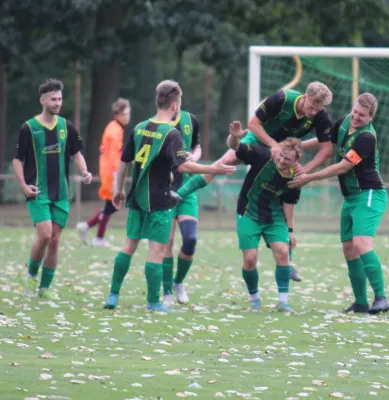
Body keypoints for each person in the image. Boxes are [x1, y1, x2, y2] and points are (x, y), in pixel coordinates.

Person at [175, 81, 334, 281]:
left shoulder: (320, 115)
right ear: (305, 97)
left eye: (318, 108)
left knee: (282, 198)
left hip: (283, 155)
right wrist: (273, 146)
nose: (314, 112)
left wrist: (306, 172)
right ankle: (179, 194)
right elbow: (252, 125)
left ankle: (288, 262)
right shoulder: (282, 98)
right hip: (260, 142)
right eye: (312, 107)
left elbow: (327, 149)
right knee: (223, 163)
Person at [102, 80, 236, 312]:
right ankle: (154, 302)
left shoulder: (139, 127)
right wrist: (214, 169)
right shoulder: (171, 134)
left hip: (137, 198)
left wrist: (119, 189)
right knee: (156, 251)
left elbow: (124, 160)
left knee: (128, 246)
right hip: (160, 200)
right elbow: (184, 167)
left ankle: (113, 296)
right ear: (175, 105)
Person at [288, 93, 389, 315]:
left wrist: (308, 177)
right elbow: (324, 141)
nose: (356, 117)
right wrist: (295, 146)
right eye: (355, 111)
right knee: (349, 250)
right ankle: (361, 303)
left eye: (362, 115)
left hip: (369, 194)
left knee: (361, 245)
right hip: (351, 198)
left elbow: (342, 167)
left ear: (371, 116)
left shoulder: (366, 138)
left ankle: (381, 298)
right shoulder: (345, 120)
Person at [13, 78, 92, 300]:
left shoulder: (66, 126)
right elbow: (17, 160)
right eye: (53, 99)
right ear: (43, 100)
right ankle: (31, 275)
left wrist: (85, 171)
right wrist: (23, 186)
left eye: (59, 99)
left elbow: (76, 153)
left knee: (55, 240)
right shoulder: (29, 128)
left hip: (61, 193)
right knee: (45, 235)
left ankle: (45, 288)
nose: (57, 103)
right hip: (38, 192)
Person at [228, 121, 302, 312]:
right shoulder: (262, 155)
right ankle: (254, 300)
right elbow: (235, 146)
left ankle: (283, 302)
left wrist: (290, 230)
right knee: (250, 259)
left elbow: (289, 203)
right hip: (248, 212)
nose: (282, 160)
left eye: (288, 159)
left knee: (283, 252)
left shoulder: (295, 177)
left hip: (273, 215)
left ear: (296, 161)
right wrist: (235, 136)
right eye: (282, 156)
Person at [76, 98, 131, 246]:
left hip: (108, 171)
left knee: (111, 206)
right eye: (125, 114)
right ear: (117, 115)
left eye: (128, 114)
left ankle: (88, 228)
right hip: (111, 173)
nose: (127, 117)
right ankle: (97, 237)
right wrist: (117, 176)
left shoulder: (115, 128)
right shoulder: (115, 130)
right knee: (112, 205)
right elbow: (113, 156)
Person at [162, 110, 201, 306]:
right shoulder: (158, 123)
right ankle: (167, 291)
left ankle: (179, 282)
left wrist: (194, 156)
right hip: (164, 190)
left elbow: (197, 147)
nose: (175, 105)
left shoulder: (190, 119)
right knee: (166, 243)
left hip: (187, 190)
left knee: (191, 239)